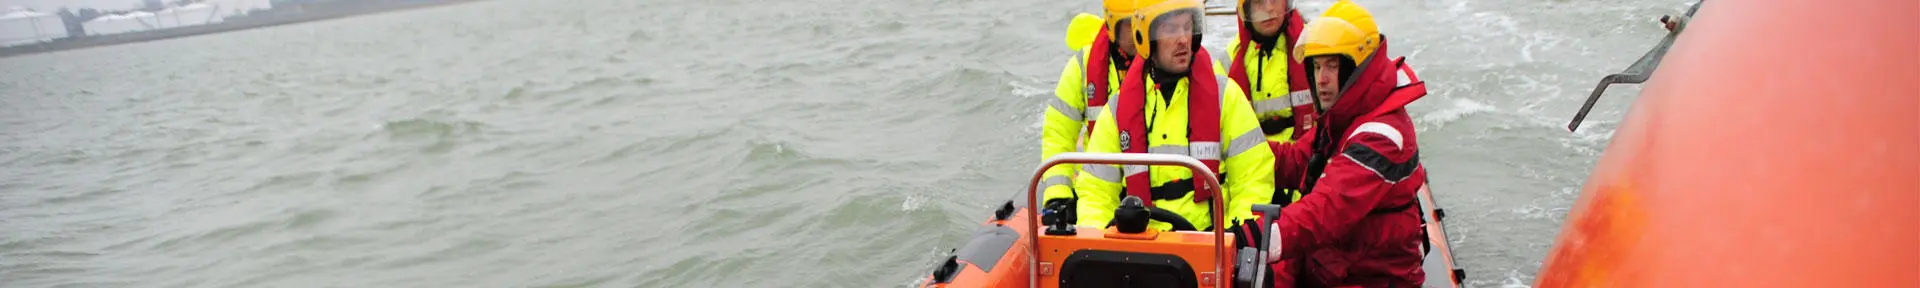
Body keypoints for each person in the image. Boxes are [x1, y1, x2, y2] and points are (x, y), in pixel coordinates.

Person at [1262, 1, 1432, 287]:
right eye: (1316, 67)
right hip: (1333, 267)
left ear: (1359, 68)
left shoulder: (1382, 134)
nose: (1321, 80)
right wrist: (1231, 151)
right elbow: (1292, 161)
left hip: (1369, 278)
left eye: (1332, 66)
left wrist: (1259, 239)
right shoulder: (1344, 118)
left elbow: (1325, 211)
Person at [1073, 0, 1275, 234]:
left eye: (1187, 27)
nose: (1182, 39)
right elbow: (1096, 193)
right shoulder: (1117, 110)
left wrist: (1232, 240)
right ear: (1145, 37)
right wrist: (1102, 247)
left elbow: (1253, 178)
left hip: (1211, 243)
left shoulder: (1226, 97)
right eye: (1170, 29)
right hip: (1142, 249)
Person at [1039, 0, 1141, 222]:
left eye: (1144, 24)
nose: (1138, 33)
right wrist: (1058, 196)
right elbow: (1059, 134)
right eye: (1130, 26)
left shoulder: (1166, 70)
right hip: (1097, 190)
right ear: (1113, 26)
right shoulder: (1083, 67)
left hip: (1150, 196)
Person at [1225, 0, 1315, 205]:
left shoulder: (1314, 50)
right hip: (1252, 169)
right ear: (1245, 10)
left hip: (1306, 165)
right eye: (1258, 3)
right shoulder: (1228, 61)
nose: (1269, 9)